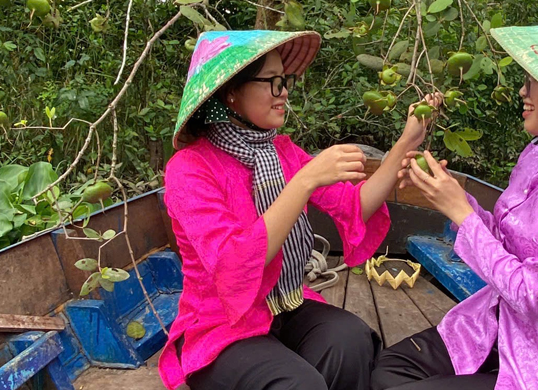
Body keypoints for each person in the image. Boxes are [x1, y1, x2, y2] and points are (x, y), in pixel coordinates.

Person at [370, 23, 538, 390]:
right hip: (493, 323)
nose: (522, 91)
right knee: (388, 370)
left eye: (533, 81)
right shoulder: (536, 154)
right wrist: (449, 196)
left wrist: (461, 214)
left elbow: (532, 295)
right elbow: (503, 242)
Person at [158, 30, 440, 390]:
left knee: (350, 339)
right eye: (272, 82)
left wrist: (406, 142)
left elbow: (354, 206)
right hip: (220, 321)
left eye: (285, 81)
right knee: (298, 384)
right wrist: (304, 181)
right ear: (231, 93)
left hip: (284, 302)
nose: (284, 92)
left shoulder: (283, 153)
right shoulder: (190, 169)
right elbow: (234, 264)